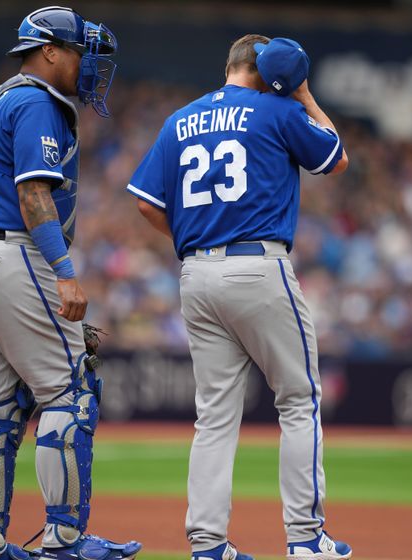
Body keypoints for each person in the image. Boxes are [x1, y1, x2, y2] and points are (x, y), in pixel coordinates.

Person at [126, 35, 352, 560]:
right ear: (267, 69)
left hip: (196, 274)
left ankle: (207, 545)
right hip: (258, 266)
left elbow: (144, 204)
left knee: (215, 417)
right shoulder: (277, 109)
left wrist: (193, 239)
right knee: (299, 400)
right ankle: (305, 538)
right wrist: (304, 94)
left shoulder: (180, 119)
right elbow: (335, 158)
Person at [0, 7, 142, 560]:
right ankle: (67, 541)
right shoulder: (36, 100)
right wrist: (66, 276)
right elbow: (34, 195)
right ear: (50, 50)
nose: (88, 66)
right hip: (13, 252)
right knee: (72, 393)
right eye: (80, 53)